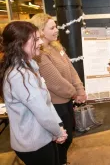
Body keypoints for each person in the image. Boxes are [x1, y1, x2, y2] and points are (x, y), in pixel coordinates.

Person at [0, 21, 68, 165]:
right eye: (36, 39)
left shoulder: (30, 66)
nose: (40, 42)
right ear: (20, 44)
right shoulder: (20, 75)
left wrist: (58, 127)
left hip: (43, 137)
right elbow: (42, 111)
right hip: (34, 144)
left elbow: (46, 103)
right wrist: (58, 132)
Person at [30, 13, 87, 165]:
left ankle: (63, 162)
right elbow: (56, 82)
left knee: (67, 138)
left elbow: (71, 69)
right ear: (41, 31)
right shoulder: (40, 54)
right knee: (61, 140)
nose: (56, 30)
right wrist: (75, 94)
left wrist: (80, 90)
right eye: (52, 27)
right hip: (55, 105)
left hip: (67, 100)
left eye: (56, 27)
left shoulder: (56, 47)